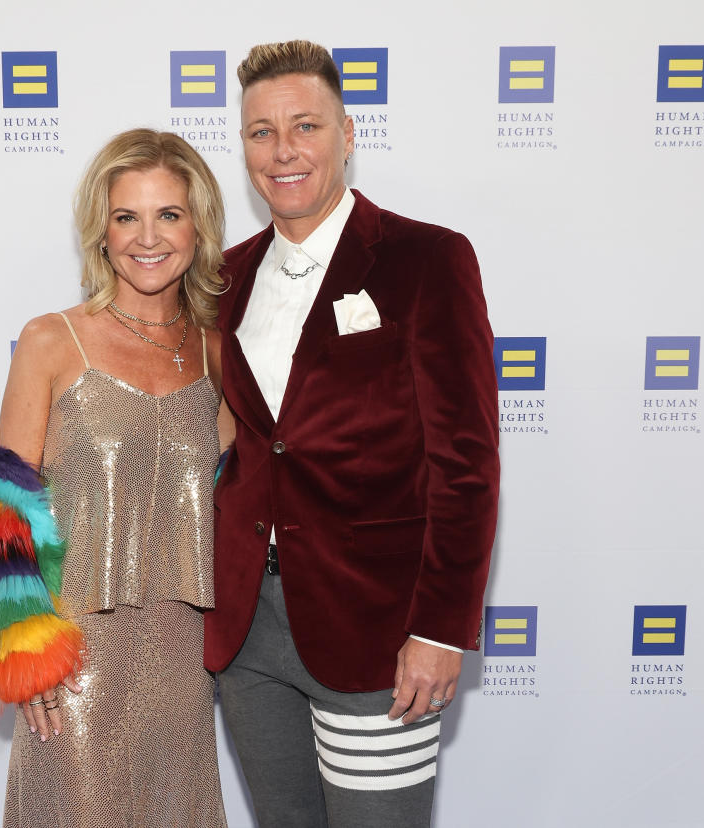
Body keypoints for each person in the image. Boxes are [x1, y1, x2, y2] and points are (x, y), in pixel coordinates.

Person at [207, 41, 500, 827]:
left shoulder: (425, 259)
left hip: (375, 626)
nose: (283, 151)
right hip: (247, 635)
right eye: (260, 132)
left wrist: (440, 627)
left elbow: (466, 466)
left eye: (305, 126)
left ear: (348, 131)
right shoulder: (225, 278)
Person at [0, 128, 228, 828]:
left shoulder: (220, 350)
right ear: (100, 233)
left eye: (168, 214)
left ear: (198, 226)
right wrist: (19, 649)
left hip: (184, 666)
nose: (147, 237)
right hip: (73, 668)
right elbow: (0, 508)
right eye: (125, 216)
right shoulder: (52, 339)